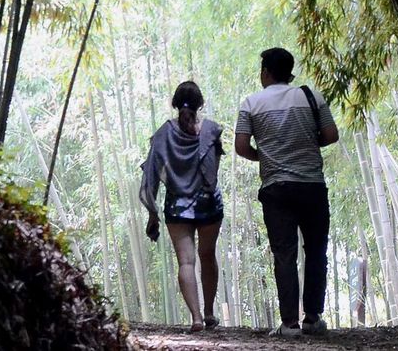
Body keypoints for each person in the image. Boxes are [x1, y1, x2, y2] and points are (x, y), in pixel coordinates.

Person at [234, 47, 339, 337]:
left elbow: (241, 147)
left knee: (284, 254)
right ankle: (313, 318)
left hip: (276, 188)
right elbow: (331, 134)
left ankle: (290, 323)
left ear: (265, 72)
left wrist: (266, 156)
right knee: (316, 251)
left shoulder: (251, 103)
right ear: (289, 72)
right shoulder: (311, 96)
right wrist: (303, 144)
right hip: (312, 186)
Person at [139, 79, 225, 332]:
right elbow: (214, 170)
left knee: (186, 262)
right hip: (209, 203)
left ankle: (196, 318)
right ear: (201, 104)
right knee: (207, 256)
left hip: (177, 206)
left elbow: (152, 174)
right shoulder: (210, 130)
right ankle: (209, 313)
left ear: (175, 104)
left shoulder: (163, 134)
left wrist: (152, 212)